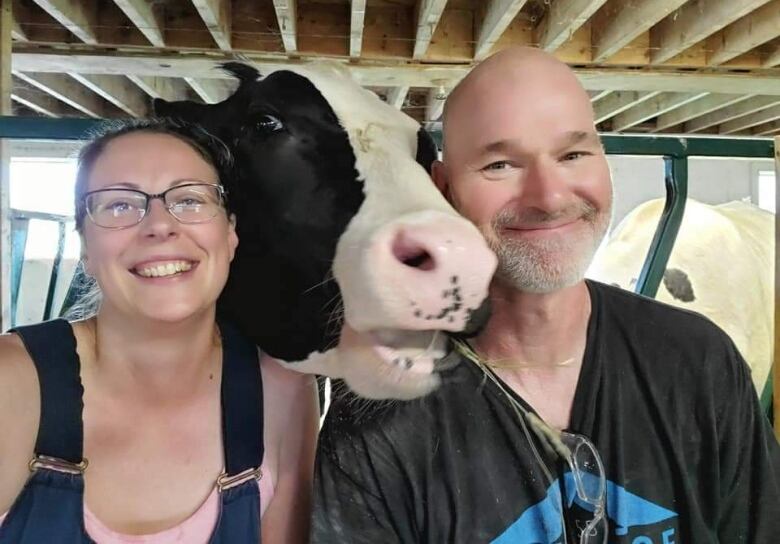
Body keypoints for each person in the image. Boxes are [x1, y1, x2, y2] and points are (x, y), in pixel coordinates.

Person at [311, 46, 780, 543]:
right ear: (444, 190)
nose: (550, 197)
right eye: (500, 165)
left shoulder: (699, 363)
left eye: (573, 154)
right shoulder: (377, 414)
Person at [0, 119, 319, 543]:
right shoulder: (14, 381)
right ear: (86, 249)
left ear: (230, 235)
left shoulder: (282, 388)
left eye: (189, 199)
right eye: (118, 205)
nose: (159, 225)